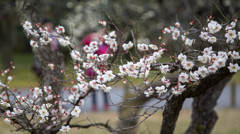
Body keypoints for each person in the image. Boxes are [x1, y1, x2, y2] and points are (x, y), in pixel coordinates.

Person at [82, 32, 110, 111]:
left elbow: (103, 54)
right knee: (93, 89)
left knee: (104, 88)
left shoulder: (105, 46)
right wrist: (91, 35)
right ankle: (94, 105)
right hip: (92, 70)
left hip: (102, 70)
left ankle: (106, 104)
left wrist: (97, 48)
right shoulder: (91, 45)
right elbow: (84, 41)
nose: (99, 38)